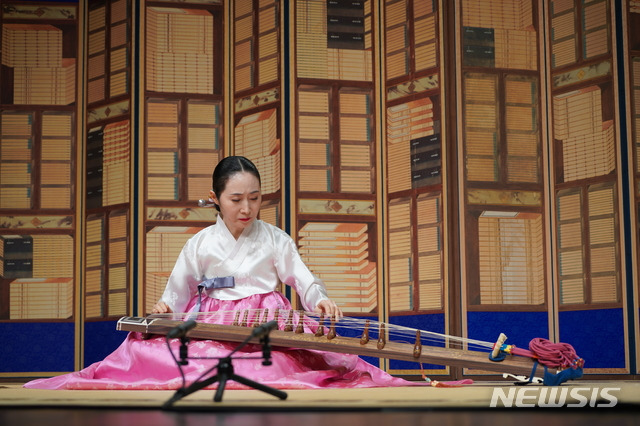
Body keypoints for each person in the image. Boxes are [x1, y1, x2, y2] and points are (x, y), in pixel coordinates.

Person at [24, 156, 418, 390]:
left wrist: (320, 299)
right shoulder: (200, 243)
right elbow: (177, 293)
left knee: (283, 366)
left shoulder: (275, 238)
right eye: (236, 199)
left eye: (255, 198)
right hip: (211, 319)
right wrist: (165, 307)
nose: (247, 208)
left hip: (268, 319)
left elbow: (302, 278)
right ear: (215, 199)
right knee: (173, 358)